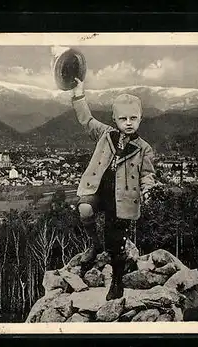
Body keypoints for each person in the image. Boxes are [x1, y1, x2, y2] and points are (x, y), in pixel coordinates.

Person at [70, 78, 155, 300]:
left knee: (115, 243)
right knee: (85, 209)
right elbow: (86, 120)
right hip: (99, 190)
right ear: (114, 119)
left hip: (123, 199)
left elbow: (148, 175)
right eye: (123, 118)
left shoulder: (144, 148)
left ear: (140, 119)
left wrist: (148, 190)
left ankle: (117, 282)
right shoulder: (105, 134)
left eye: (133, 118)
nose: (128, 123)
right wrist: (79, 95)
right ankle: (94, 244)